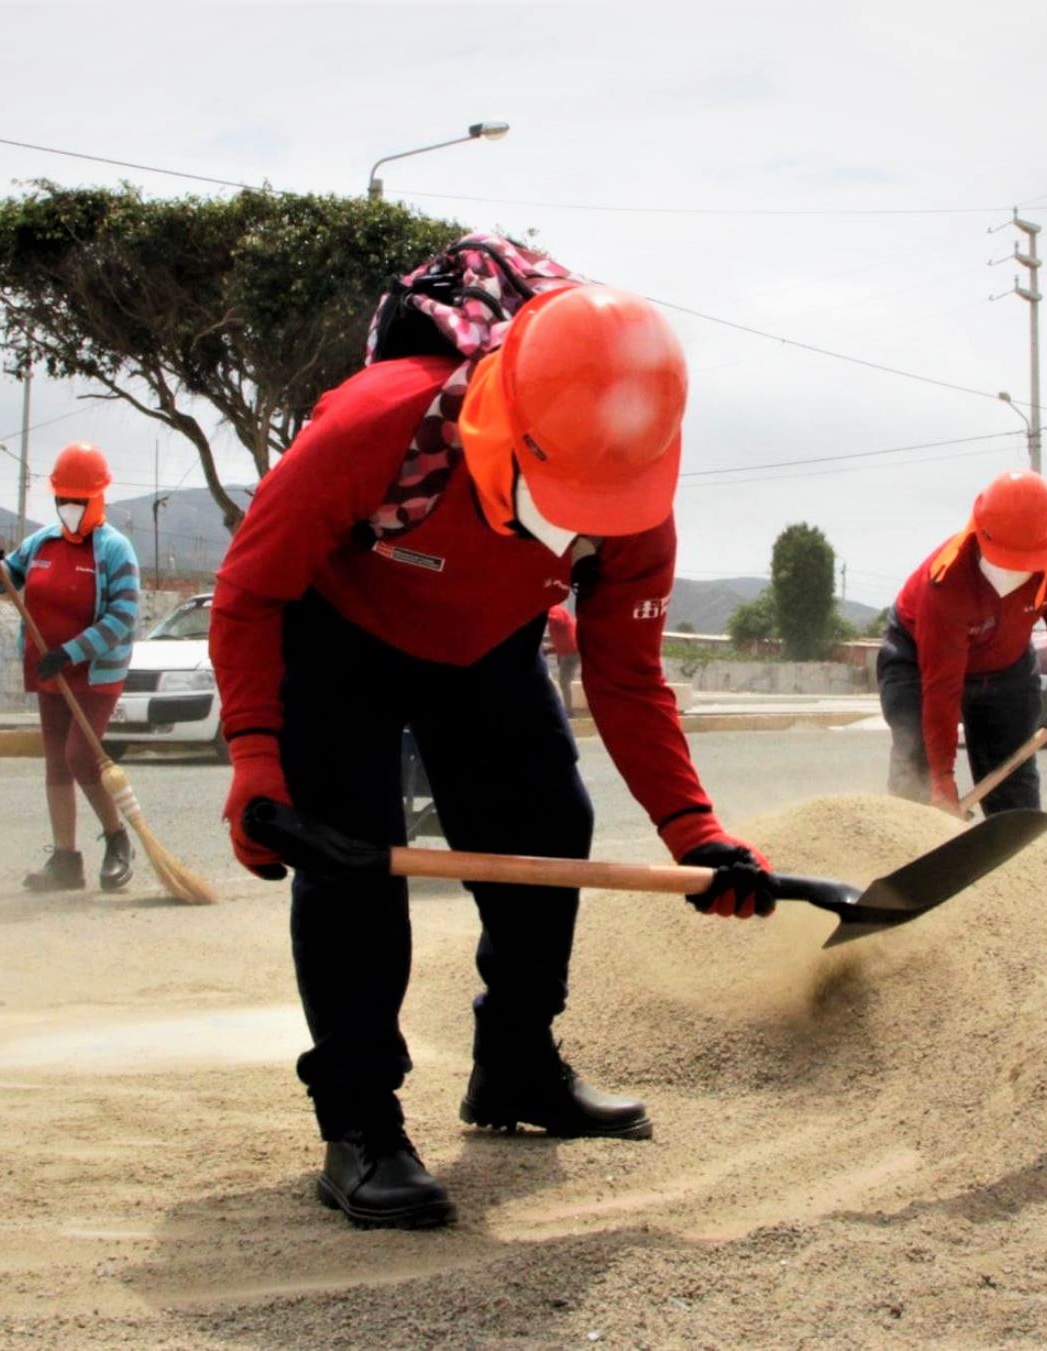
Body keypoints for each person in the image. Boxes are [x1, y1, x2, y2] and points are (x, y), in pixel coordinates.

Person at [211, 277, 775, 1231]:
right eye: (559, 491)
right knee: (349, 859)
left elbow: (629, 680)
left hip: (486, 645)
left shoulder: (636, 500)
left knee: (551, 826)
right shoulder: (372, 427)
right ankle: (359, 1122)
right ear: (496, 423)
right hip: (338, 632)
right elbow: (248, 591)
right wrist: (256, 757)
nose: (580, 515)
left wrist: (697, 832)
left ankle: (514, 1064)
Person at [878, 469, 1047, 817]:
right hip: (917, 659)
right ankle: (909, 850)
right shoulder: (948, 583)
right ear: (980, 533)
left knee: (1012, 779)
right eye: (1008, 560)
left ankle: (1017, 864)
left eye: (1028, 562)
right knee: (916, 772)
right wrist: (941, 778)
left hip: (1005, 665)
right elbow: (941, 687)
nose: (1016, 572)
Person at [0, 443, 140, 892]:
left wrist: (73, 651)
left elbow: (124, 617)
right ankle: (66, 859)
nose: (70, 509)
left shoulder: (114, 549)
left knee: (81, 756)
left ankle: (117, 839)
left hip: (93, 673)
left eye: (78, 501)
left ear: (98, 498)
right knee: (56, 764)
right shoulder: (42, 542)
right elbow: (4, 581)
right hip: (47, 670)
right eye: (62, 500)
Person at [546, 602, 579, 712]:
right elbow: (562, 641)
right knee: (564, 682)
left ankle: (569, 711)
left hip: (572, 653)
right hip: (570, 652)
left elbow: (558, 620)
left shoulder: (555, 609)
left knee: (564, 682)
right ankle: (568, 710)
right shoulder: (554, 611)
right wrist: (548, 651)